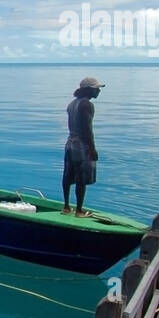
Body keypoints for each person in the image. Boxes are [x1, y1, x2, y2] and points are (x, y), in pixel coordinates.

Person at [62, 76, 103, 217]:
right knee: (81, 177)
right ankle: (79, 210)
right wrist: (92, 148)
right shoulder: (86, 104)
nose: (98, 91)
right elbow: (87, 129)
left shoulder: (72, 104)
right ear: (89, 90)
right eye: (97, 89)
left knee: (68, 174)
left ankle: (66, 207)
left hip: (70, 142)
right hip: (81, 145)